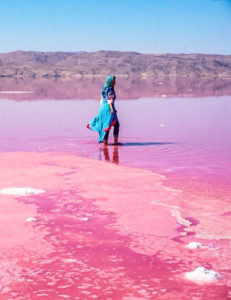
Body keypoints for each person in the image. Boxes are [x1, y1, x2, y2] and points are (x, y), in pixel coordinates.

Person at [87, 75, 120, 145]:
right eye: (114, 81)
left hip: (103, 107)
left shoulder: (104, 89)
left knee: (108, 124)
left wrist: (102, 109)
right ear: (110, 82)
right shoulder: (110, 90)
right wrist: (111, 109)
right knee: (112, 125)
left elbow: (102, 100)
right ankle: (114, 143)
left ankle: (105, 143)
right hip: (108, 108)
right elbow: (110, 99)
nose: (115, 82)